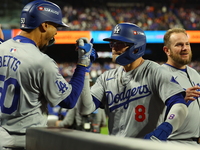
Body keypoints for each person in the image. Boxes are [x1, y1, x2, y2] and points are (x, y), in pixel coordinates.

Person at [0, 0, 96, 149]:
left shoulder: (2, 48)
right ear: (44, 25)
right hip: (25, 142)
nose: (56, 32)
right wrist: (83, 64)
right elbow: (69, 101)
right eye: (55, 26)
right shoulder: (42, 62)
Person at [77, 22, 190, 142]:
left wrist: (165, 129)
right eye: (113, 43)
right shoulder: (106, 77)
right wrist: (84, 69)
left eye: (120, 43)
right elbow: (85, 109)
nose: (114, 48)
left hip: (148, 146)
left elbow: (180, 106)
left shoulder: (155, 71)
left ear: (136, 47)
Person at [162, 28, 200, 144]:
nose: (185, 48)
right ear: (167, 50)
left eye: (187, 44)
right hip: (173, 142)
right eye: (179, 45)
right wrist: (179, 99)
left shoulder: (194, 73)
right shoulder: (159, 74)